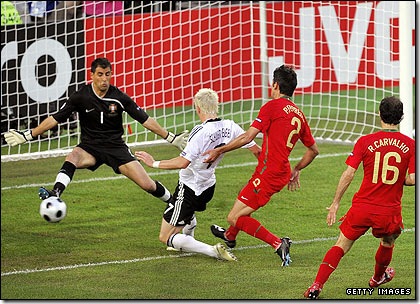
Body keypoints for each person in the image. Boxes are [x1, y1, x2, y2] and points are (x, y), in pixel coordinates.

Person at [4, 57, 189, 206]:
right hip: (90, 147)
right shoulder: (80, 96)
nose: (104, 79)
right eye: (100, 74)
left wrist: (170, 137)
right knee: (73, 156)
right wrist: (29, 135)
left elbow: (145, 120)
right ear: (92, 75)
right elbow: (56, 118)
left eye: (108, 74)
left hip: (115, 148)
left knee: (147, 184)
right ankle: (56, 193)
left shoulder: (119, 97)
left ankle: (173, 203)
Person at [203, 65, 319, 266]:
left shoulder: (271, 107)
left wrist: (218, 150)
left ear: (275, 85)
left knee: (234, 217)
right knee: (242, 205)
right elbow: (313, 150)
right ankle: (230, 237)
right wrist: (297, 169)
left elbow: (248, 136)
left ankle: (278, 243)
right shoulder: (299, 114)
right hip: (279, 171)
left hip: (269, 173)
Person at [303, 96, 415, 299]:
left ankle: (316, 285)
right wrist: (398, 179)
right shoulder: (410, 144)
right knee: (389, 241)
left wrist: (336, 203)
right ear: (402, 117)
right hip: (388, 211)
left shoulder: (365, 141)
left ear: (379, 114)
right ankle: (376, 278)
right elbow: (413, 179)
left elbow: (349, 173)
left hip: (362, 207)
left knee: (341, 245)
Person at [135, 88, 260, 261]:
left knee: (166, 237)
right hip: (208, 187)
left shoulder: (200, 132)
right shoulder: (230, 126)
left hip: (188, 190)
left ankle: (212, 251)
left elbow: (182, 162)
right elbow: (257, 151)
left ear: (198, 108)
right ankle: (189, 226)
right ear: (216, 106)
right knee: (182, 222)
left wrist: (154, 163)